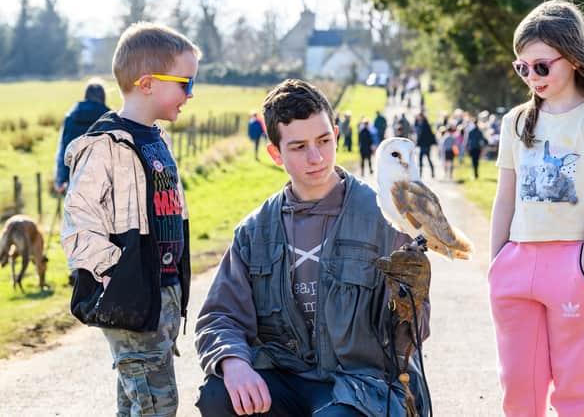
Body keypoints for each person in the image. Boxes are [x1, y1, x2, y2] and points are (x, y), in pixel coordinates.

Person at [194, 79, 430, 417]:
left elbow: (413, 336)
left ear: (336, 133)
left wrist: (412, 300)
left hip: (364, 384)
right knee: (220, 395)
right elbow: (220, 316)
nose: (316, 157)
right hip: (286, 378)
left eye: (324, 140)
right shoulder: (254, 231)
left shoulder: (385, 218)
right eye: (299, 146)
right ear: (275, 153)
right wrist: (232, 362)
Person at [489, 0, 584, 416]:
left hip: (572, 264)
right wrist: (497, 263)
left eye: (541, 66)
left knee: (573, 391)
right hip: (516, 266)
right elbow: (505, 198)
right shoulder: (514, 122)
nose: (531, 77)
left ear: (571, 58)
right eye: (522, 68)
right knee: (519, 389)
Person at [61, 22, 200, 416]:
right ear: (147, 83)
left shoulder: (158, 139)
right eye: (185, 84)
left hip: (162, 295)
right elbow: (77, 222)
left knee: (137, 403)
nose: (191, 94)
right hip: (131, 295)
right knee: (158, 405)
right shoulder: (105, 146)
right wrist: (114, 271)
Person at [53, 79, 110, 193]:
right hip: (103, 184)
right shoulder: (110, 119)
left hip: (75, 182)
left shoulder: (71, 117)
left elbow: (63, 151)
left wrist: (60, 180)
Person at [415, 112, 436, 178]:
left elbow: (422, 135)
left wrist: (417, 143)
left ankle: (429, 173)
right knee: (423, 159)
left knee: (426, 159)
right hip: (423, 145)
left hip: (425, 145)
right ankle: (421, 174)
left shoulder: (424, 125)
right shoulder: (422, 124)